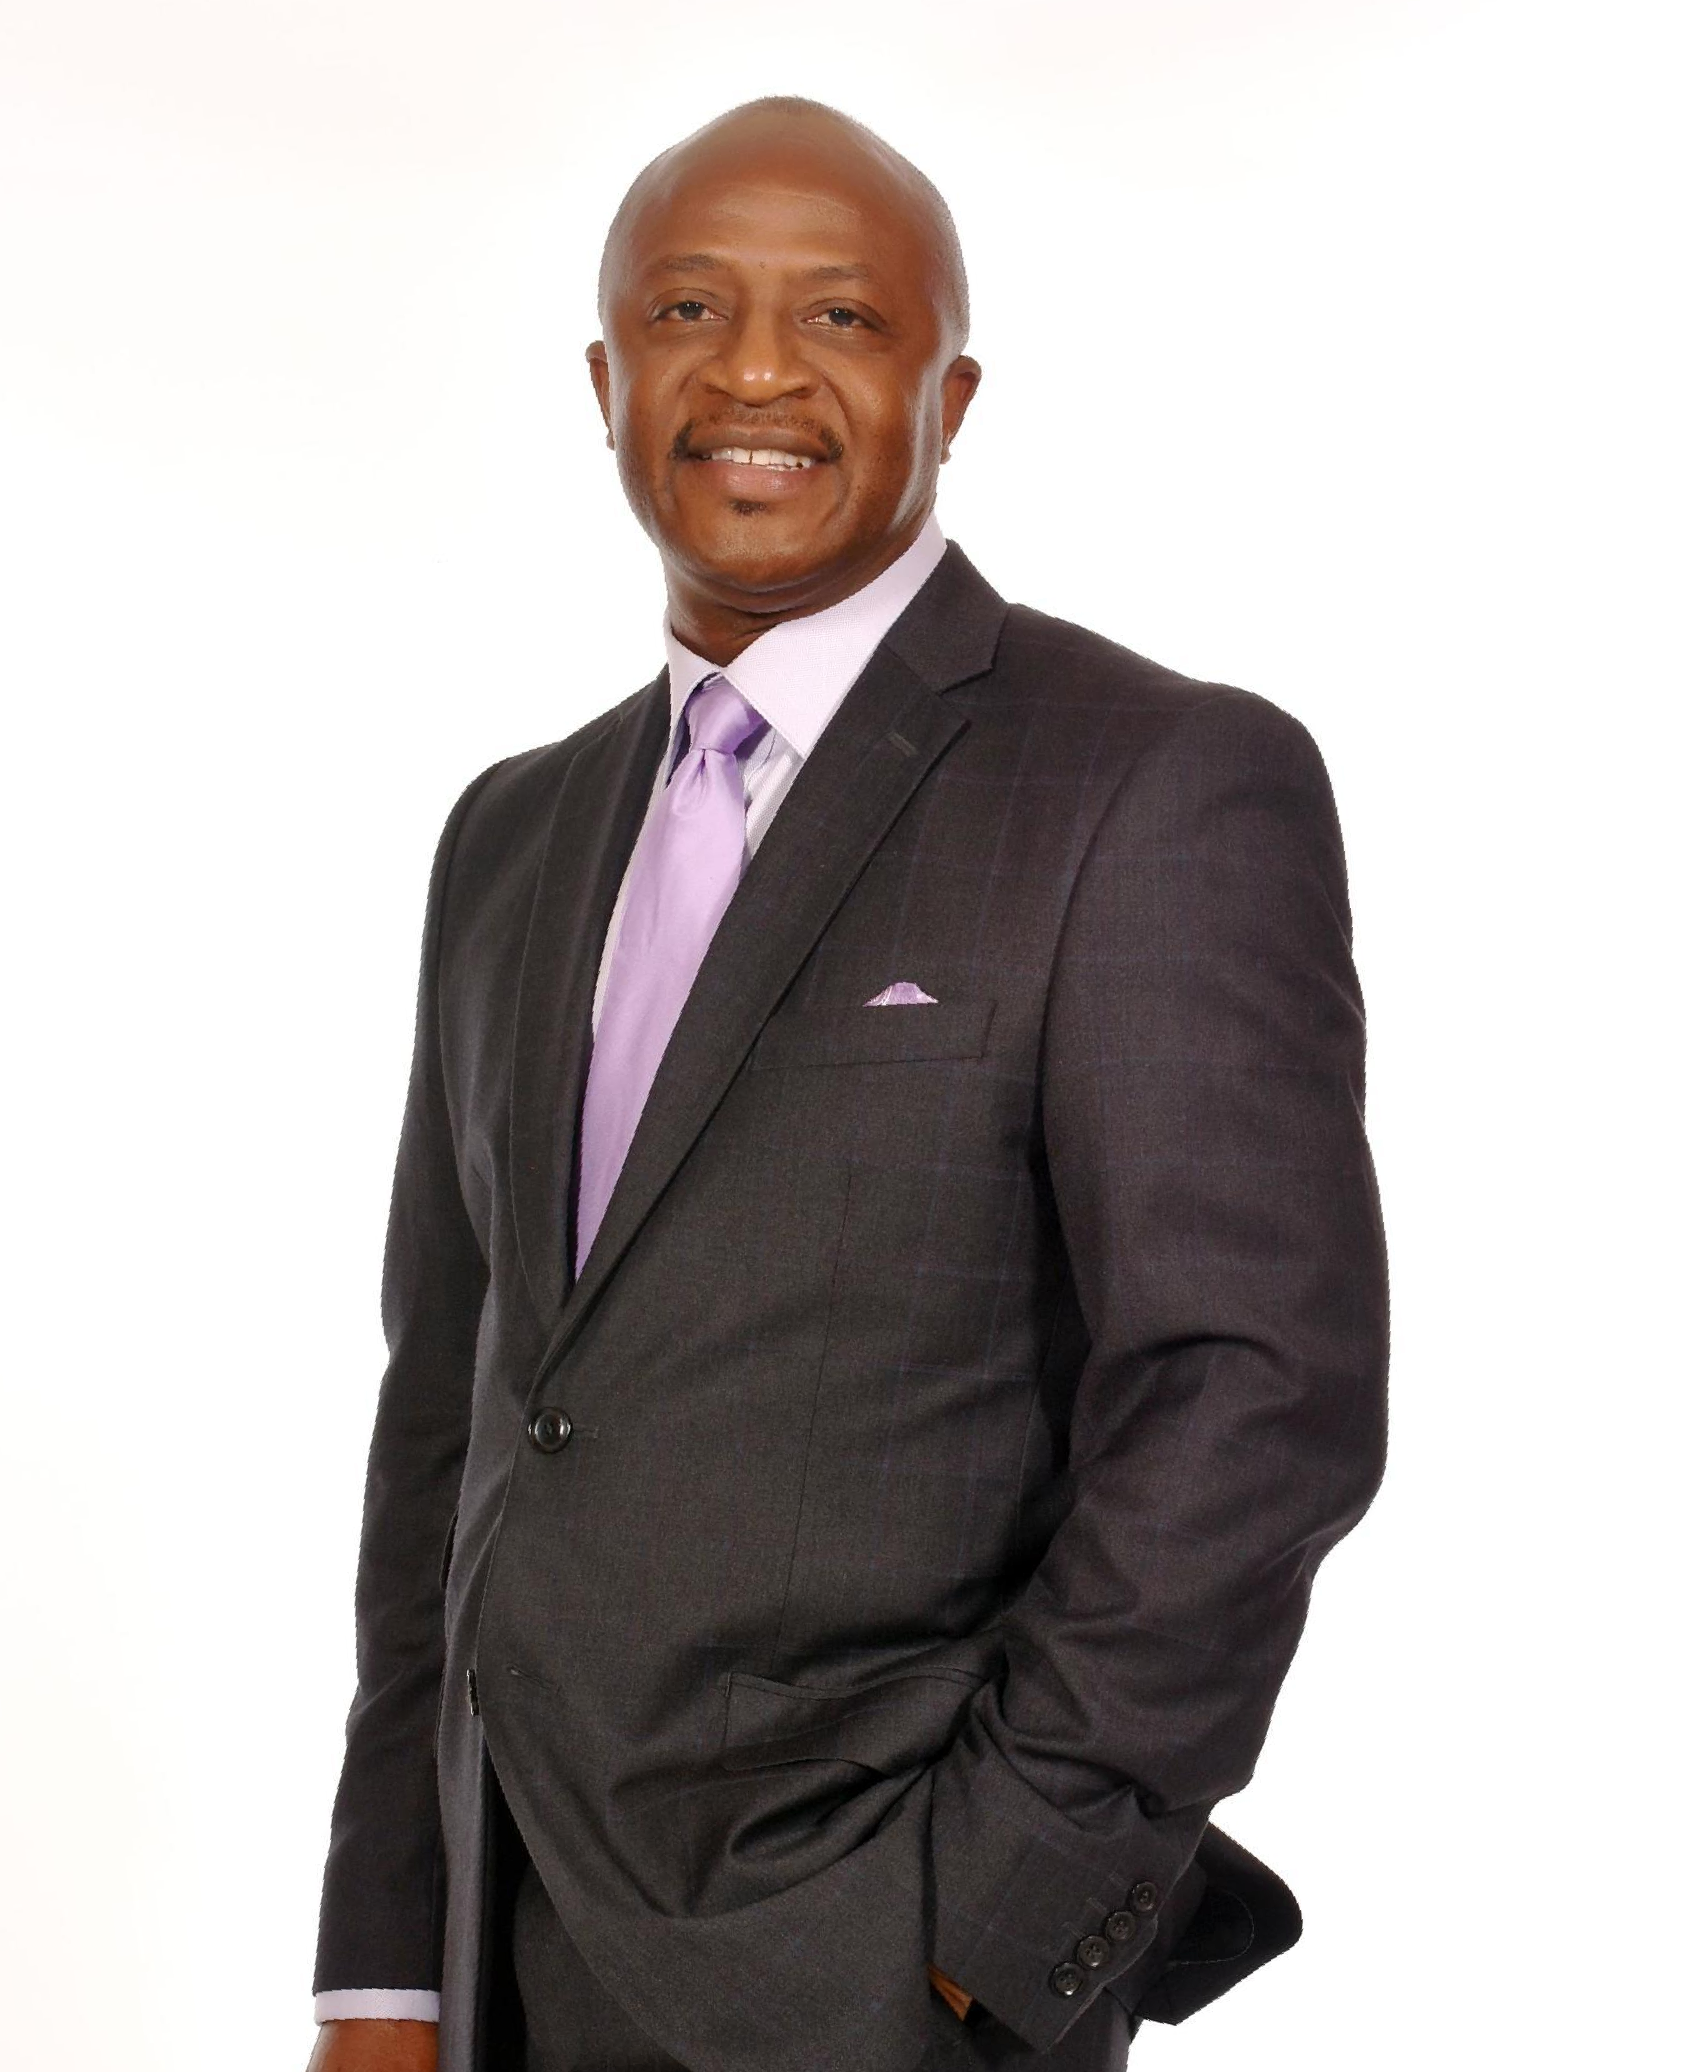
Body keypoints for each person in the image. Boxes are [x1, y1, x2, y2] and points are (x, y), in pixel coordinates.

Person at [306, 96, 1388, 2072]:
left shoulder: (1148, 781)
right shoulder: (511, 836)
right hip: (498, 1962)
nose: (753, 373)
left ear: (950, 395)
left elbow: (1255, 1396)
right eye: (688, 309)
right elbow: (448, 1426)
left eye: (843, 318)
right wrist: (388, 1964)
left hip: (879, 1975)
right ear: (606, 382)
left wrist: (989, 1933)